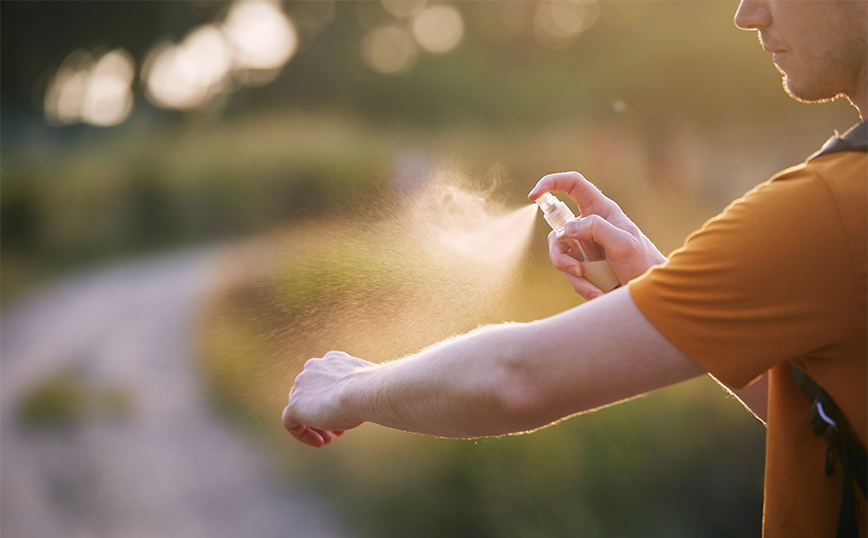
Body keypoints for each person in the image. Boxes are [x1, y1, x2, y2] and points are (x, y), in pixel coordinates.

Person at [282, 1, 867, 536]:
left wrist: (348, 388)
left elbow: (516, 380)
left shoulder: (833, 208)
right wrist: (656, 283)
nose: (747, 13)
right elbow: (822, 413)